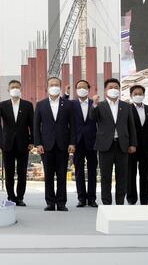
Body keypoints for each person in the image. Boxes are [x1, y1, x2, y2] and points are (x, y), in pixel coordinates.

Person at [90, 78, 137, 205]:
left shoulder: (126, 106)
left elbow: (131, 126)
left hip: (122, 145)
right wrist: (94, 104)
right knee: (105, 176)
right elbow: (92, 117)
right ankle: (106, 203)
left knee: (122, 176)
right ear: (105, 90)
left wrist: (133, 144)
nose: (113, 89)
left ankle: (120, 202)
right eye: (110, 87)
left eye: (116, 87)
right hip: (105, 145)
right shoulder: (100, 105)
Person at [33, 77, 75, 211]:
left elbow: (73, 125)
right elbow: (36, 126)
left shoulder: (68, 104)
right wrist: (38, 144)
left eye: (57, 85)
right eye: (52, 85)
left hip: (63, 145)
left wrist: (72, 143)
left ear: (60, 87)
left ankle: (61, 202)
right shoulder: (41, 104)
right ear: (47, 87)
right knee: (49, 175)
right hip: (46, 145)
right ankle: (50, 202)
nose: (54, 87)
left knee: (62, 175)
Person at [0, 80, 33, 206]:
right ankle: (11, 196)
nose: (15, 89)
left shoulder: (27, 105)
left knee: (22, 172)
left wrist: (32, 141)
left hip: (23, 143)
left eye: (17, 87)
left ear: (21, 89)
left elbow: (32, 124)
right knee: (9, 172)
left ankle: (20, 197)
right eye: (12, 87)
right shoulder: (2, 105)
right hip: (7, 143)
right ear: (8, 90)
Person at [127, 85, 148, 206]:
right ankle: (131, 199)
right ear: (131, 95)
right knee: (131, 173)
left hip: (146, 147)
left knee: (145, 174)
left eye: (140, 94)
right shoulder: (127, 109)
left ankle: (145, 200)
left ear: (144, 95)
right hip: (131, 147)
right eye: (135, 94)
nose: (138, 96)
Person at [70, 80, 98, 208]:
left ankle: (92, 198)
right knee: (79, 171)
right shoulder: (72, 104)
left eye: (84, 87)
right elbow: (61, 104)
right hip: (77, 141)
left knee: (92, 171)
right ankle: (81, 198)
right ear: (76, 90)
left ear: (88, 89)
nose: (82, 89)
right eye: (79, 87)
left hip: (92, 141)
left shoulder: (94, 104)